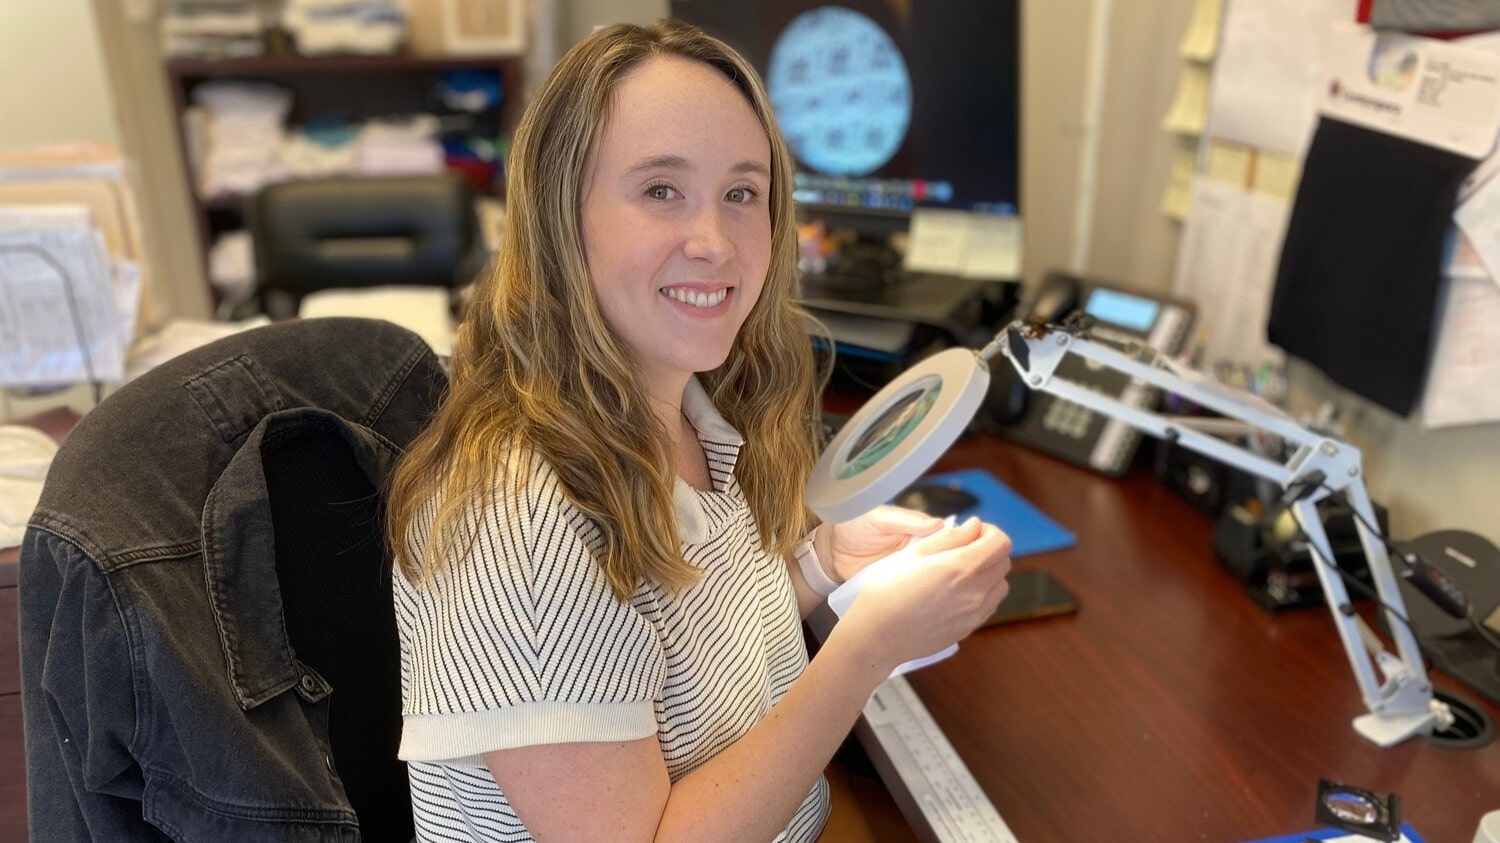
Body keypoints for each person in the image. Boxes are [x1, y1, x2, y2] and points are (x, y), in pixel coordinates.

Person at [386, 19, 1013, 843]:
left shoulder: (686, 410)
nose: (714, 242)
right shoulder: (520, 517)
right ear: (558, 216)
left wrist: (821, 567)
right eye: (660, 190)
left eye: (742, 193)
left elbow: (670, 656)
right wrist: (863, 649)